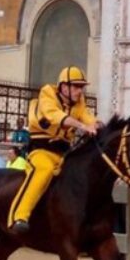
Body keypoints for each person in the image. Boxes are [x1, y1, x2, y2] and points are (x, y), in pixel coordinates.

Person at [8, 66, 98, 234]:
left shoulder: (79, 102)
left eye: (81, 87)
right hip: (41, 150)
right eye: (76, 86)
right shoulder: (47, 93)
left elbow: (88, 117)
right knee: (44, 170)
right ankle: (19, 217)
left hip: (64, 154)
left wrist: (99, 126)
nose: (80, 90)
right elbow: (54, 115)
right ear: (64, 86)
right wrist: (82, 126)